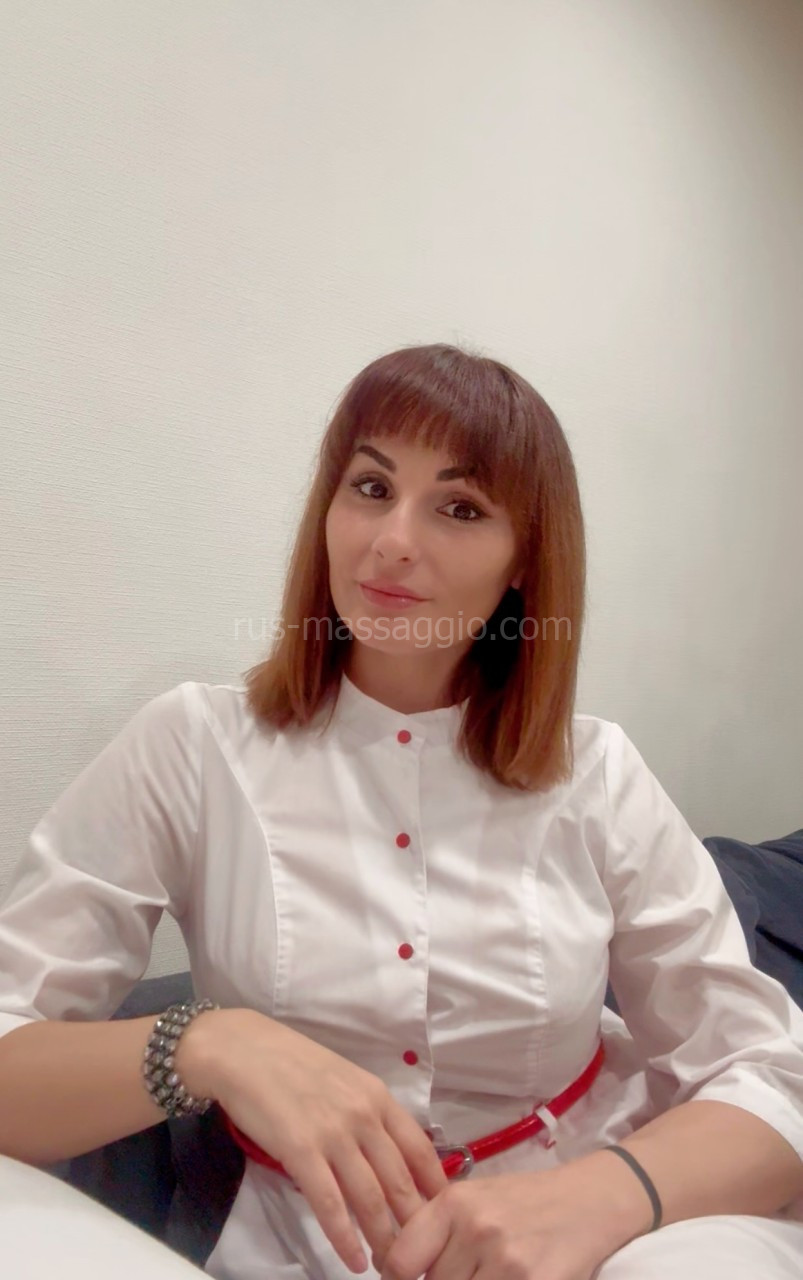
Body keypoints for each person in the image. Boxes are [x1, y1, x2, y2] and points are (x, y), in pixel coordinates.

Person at [0, 342, 802, 1280]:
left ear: (524, 561)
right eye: (371, 488)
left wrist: (599, 1199)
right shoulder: (192, 746)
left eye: (459, 508)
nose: (391, 541)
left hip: (608, 1219)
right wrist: (209, 1043)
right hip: (306, 1240)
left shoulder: (598, 774)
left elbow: (769, 1074)